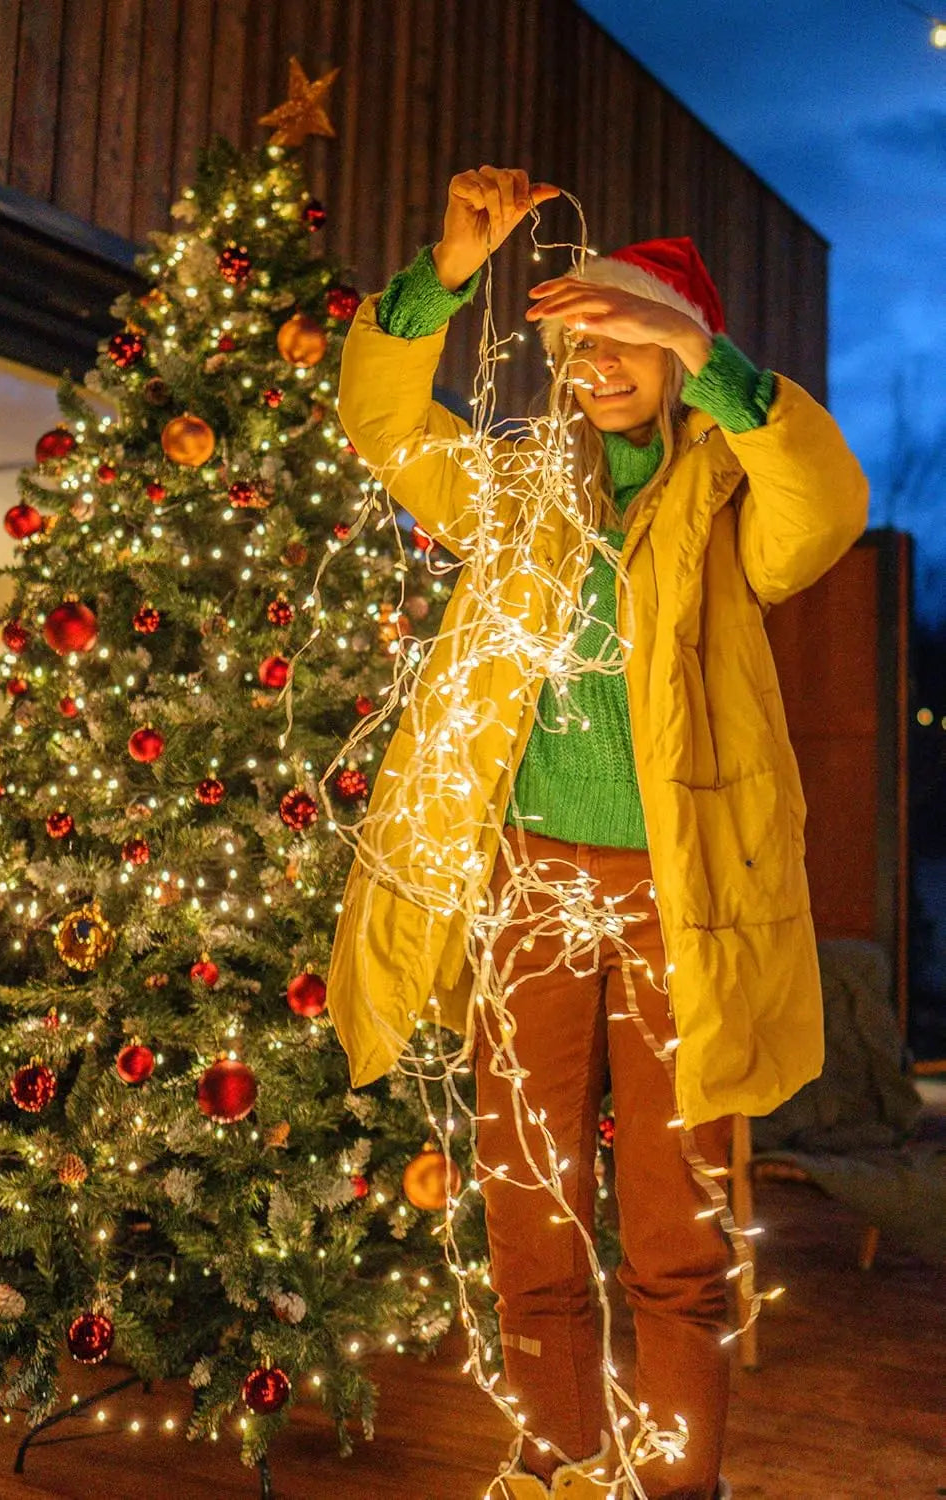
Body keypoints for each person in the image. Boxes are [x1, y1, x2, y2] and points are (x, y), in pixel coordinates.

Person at [328, 166, 869, 1499]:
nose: (598, 364)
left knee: (680, 1227)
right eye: (579, 341)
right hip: (523, 888)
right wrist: (445, 275)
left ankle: (677, 1483)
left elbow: (828, 511)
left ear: (679, 352)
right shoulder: (516, 491)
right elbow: (382, 422)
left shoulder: (734, 502)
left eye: (630, 338)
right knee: (527, 1202)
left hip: (683, 900)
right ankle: (555, 1462)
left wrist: (720, 364)